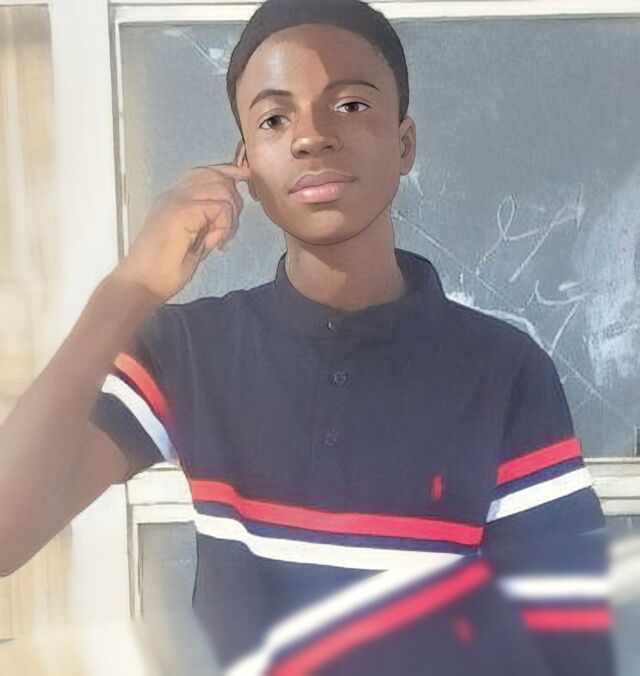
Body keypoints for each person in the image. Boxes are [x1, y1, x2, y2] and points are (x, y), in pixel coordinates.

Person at [0, 0, 616, 674]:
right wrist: (130, 288)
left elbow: (568, 646)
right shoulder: (189, 353)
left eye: (350, 105)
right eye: (274, 118)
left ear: (404, 144)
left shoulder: (502, 371)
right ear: (245, 165)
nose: (312, 137)